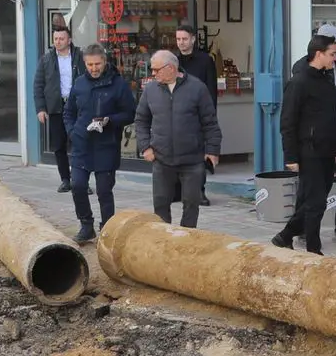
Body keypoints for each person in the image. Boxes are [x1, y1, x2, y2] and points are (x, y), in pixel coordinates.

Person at [273, 34, 336, 256]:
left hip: (327, 150)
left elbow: (332, 117)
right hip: (309, 150)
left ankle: (285, 236)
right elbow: (287, 122)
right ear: (319, 54)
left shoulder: (326, 79)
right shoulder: (299, 82)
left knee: (312, 200)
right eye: (332, 54)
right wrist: (290, 157)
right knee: (316, 203)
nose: (335, 59)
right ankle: (313, 249)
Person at [134, 50, 221, 228]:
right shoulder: (150, 90)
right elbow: (141, 120)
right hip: (161, 158)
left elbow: (210, 123)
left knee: (191, 204)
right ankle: (162, 238)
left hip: (192, 159)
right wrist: (145, 147)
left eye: (156, 69)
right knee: (160, 204)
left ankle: (186, 237)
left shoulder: (197, 88)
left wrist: (212, 150)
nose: (153, 74)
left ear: (171, 68)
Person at [63, 43, 136, 243]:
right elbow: (68, 112)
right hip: (81, 144)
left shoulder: (118, 84)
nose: (94, 68)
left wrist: (109, 120)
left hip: (106, 145)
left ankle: (107, 230)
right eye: (90, 65)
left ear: (104, 61)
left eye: (97, 64)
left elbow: (129, 113)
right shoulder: (79, 83)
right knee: (77, 186)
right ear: (84, 63)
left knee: (104, 190)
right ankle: (86, 225)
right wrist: (72, 132)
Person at [173, 26, 220, 206]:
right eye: (178, 39)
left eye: (184, 39)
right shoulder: (173, 61)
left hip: (199, 114)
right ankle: (178, 190)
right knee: (177, 153)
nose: (181, 43)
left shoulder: (205, 60)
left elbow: (211, 90)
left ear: (193, 39)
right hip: (176, 114)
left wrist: (210, 115)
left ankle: (199, 191)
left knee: (199, 155)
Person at [33, 22, 78, 193]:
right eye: (56, 39)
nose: (58, 42)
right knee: (59, 145)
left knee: (79, 144)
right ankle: (65, 179)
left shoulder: (79, 56)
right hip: (56, 107)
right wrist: (41, 108)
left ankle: (80, 180)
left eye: (61, 39)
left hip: (76, 106)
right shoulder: (46, 59)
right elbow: (38, 85)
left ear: (69, 40)